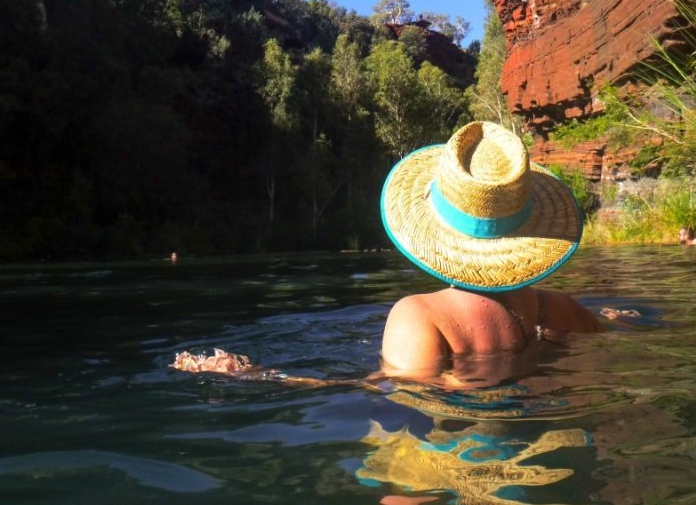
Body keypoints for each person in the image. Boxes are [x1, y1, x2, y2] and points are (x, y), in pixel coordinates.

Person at [172, 121, 601, 385]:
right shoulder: (564, 311)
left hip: (452, 458)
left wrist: (257, 375)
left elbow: (386, 392)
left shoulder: (419, 316)